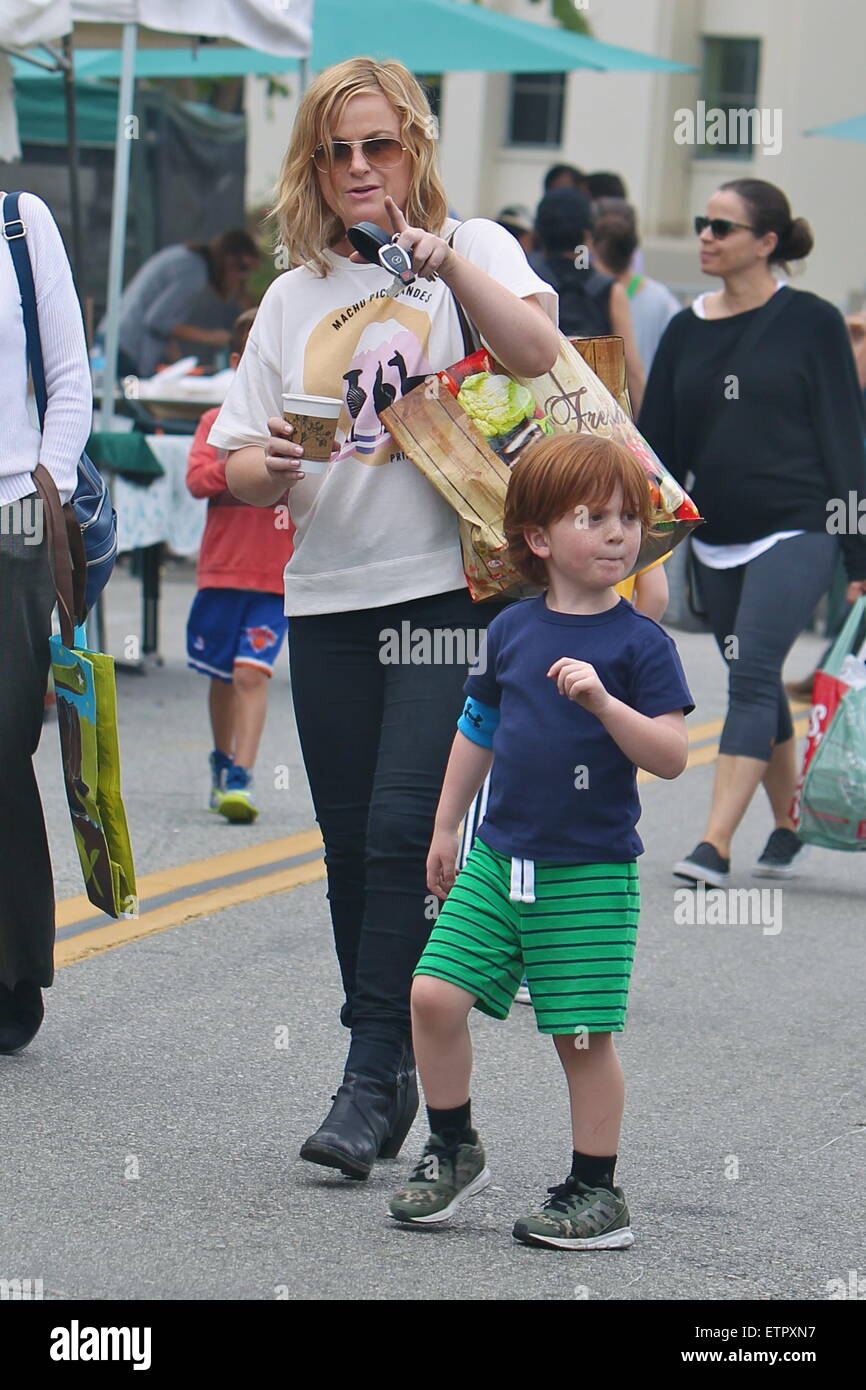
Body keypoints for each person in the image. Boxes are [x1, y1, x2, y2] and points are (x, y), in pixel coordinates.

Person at [209, 57, 560, 1179]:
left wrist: (440, 256)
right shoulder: (292, 292)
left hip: (447, 587)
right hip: (327, 591)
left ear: (413, 145)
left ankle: (368, 1076)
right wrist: (259, 464)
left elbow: (538, 355)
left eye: (380, 145)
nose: (361, 168)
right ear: (315, 164)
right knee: (345, 838)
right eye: (338, 150)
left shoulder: (475, 249)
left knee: (404, 831)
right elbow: (238, 460)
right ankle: (398, 1059)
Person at [386, 435, 693, 1242]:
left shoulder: (640, 645)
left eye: (628, 516)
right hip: (497, 858)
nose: (618, 532)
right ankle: (453, 1148)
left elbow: (670, 757)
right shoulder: (515, 631)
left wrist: (604, 706)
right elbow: (477, 726)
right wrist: (448, 822)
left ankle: (597, 1193)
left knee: (581, 1037)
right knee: (431, 996)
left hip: (587, 873)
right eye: (592, 516)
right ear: (538, 539)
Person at [638, 178, 866, 885]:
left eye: (722, 226)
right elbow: (660, 448)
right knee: (752, 675)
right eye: (703, 222)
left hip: (799, 526)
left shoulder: (813, 321)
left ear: (766, 243)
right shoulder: (684, 327)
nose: (705, 234)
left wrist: (857, 550)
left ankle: (714, 842)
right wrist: (633, 537)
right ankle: (790, 825)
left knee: (756, 673)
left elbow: (843, 435)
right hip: (718, 533)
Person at [0, 190, 92, 1053]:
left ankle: (10, 971)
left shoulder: (18, 224)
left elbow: (69, 382)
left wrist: (43, 486)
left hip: (11, 525)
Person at [186, 308, 294, 824]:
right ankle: (221, 758)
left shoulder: (297, 426)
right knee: (221, 675)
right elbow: (197, 479)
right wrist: (244, 465)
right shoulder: (216, 423)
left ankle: (241, 778)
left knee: (252, 674)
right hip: (223, 572)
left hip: (275, 579)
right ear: (237, 362)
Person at [530, 187, 645, 411]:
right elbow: (632, 370)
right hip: (595, 415)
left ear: (539, 234)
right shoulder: (610, 290)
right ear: (587, 236)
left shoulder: (526, 283)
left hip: (540, 413)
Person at [102, 229, 260, 379]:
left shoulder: (188, 260)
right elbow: (158, 320)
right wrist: (213, 337)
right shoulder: (194, 272)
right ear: (229, 261)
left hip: (116, 343)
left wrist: (179, 366)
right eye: (243, 270)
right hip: (124, 351)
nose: (242, 280)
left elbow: (163, 330)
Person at [591, 201, 681, 373]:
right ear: (633, 252)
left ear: (593, 249)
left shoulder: (589, 295)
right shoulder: (661, 297)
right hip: (647, 393)